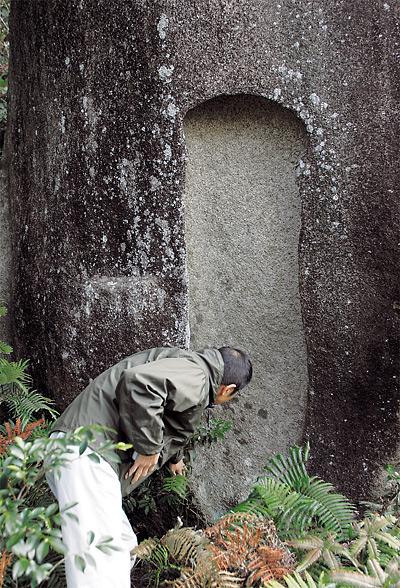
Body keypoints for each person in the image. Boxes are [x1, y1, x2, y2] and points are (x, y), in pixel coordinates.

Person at [46, 345, 252, 588]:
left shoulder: (191, 369)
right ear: (228, 389)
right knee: (99, 566)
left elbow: (171, 419)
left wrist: (175, 459)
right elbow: (141, 384)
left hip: (82, 452)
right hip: (89, 453)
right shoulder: (197, 377)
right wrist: (149, 448)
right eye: (230, 398)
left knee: (123, 546)